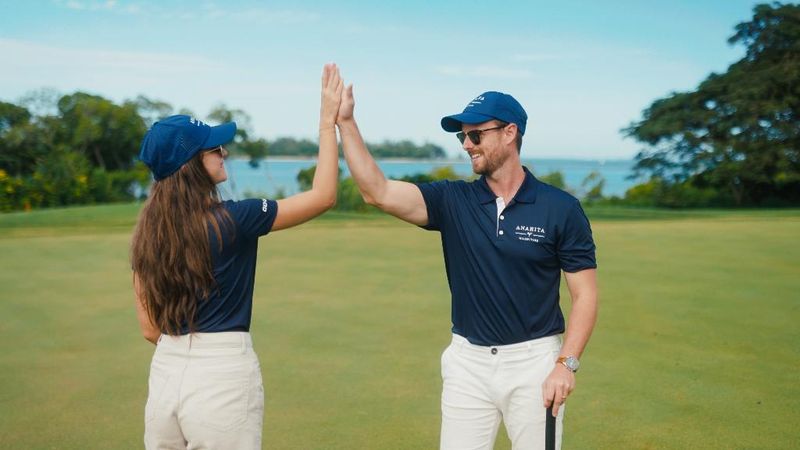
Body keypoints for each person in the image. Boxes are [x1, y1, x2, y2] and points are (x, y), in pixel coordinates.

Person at [336, 88, 598, 450]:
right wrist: (346, 122)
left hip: (534, 362)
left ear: (510, 133)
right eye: (463, 135)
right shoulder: (452, 200)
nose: (466, 144)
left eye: (476, 135)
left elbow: (585, 295)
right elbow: (376, 191)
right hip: (467, 364)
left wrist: (565, 365)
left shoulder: (561, 208)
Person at [130, 64, 344, 449]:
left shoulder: (146, 233)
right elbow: (324, 196)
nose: (223, 151)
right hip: (222, 374)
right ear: (191, 163)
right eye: (214, 148)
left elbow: (149, 329)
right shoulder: (235, 219)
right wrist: (327, 124)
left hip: (165, 374)